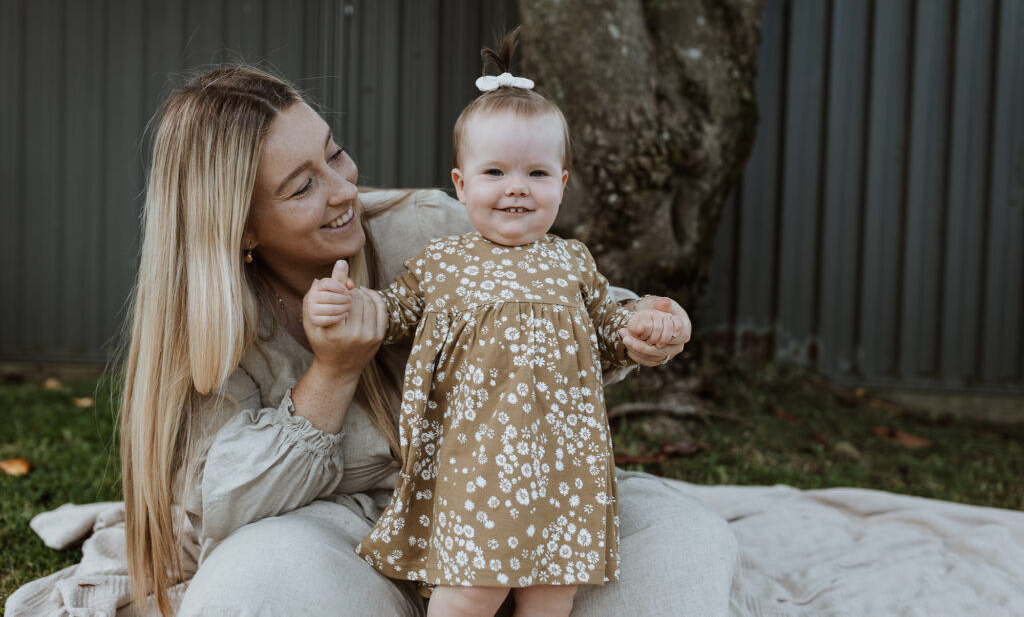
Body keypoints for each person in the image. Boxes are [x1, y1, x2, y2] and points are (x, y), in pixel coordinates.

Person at [112, 64, 736, 617]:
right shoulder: (214, 328)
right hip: (347, 536)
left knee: (688, 542)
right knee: (256, 584)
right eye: (302, 187)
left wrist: (641, 325)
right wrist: (333, 371)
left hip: (517, 496)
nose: (344, 190)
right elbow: (224, 509)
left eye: (336, 154)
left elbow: (567, 302)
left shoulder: (432, 227)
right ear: (240, 226)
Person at [306, 31, 683, 617]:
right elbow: (392, 314)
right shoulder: (441, 262)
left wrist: (641, 331)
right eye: (495, 172)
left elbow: (608, 332)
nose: (515, 188)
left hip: (565, 466)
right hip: (475, 464)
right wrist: (346, 303)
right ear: (461, 184)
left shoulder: (572, 261)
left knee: (551, 594)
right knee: (469, 593)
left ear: (561, 184)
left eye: (536, 173)